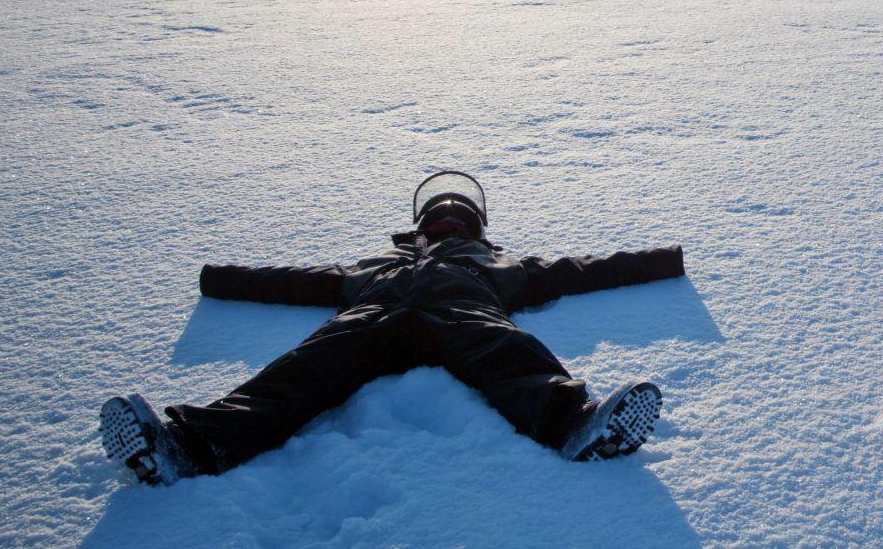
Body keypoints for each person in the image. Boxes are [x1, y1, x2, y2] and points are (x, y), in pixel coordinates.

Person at [99, 171, 685, 484]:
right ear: (420, 230)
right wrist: (217, 277)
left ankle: (578, 428)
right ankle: (190, 448)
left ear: (477, 229)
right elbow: (295, 283)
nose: (449, 223)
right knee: (305, 367)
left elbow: (588, 270)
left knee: (509, 350)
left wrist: (668, 260)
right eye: (440, 218)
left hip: (462, 316)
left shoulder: (505, 266)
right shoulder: (373, 267)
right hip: (372, 319)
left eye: (458, 218)